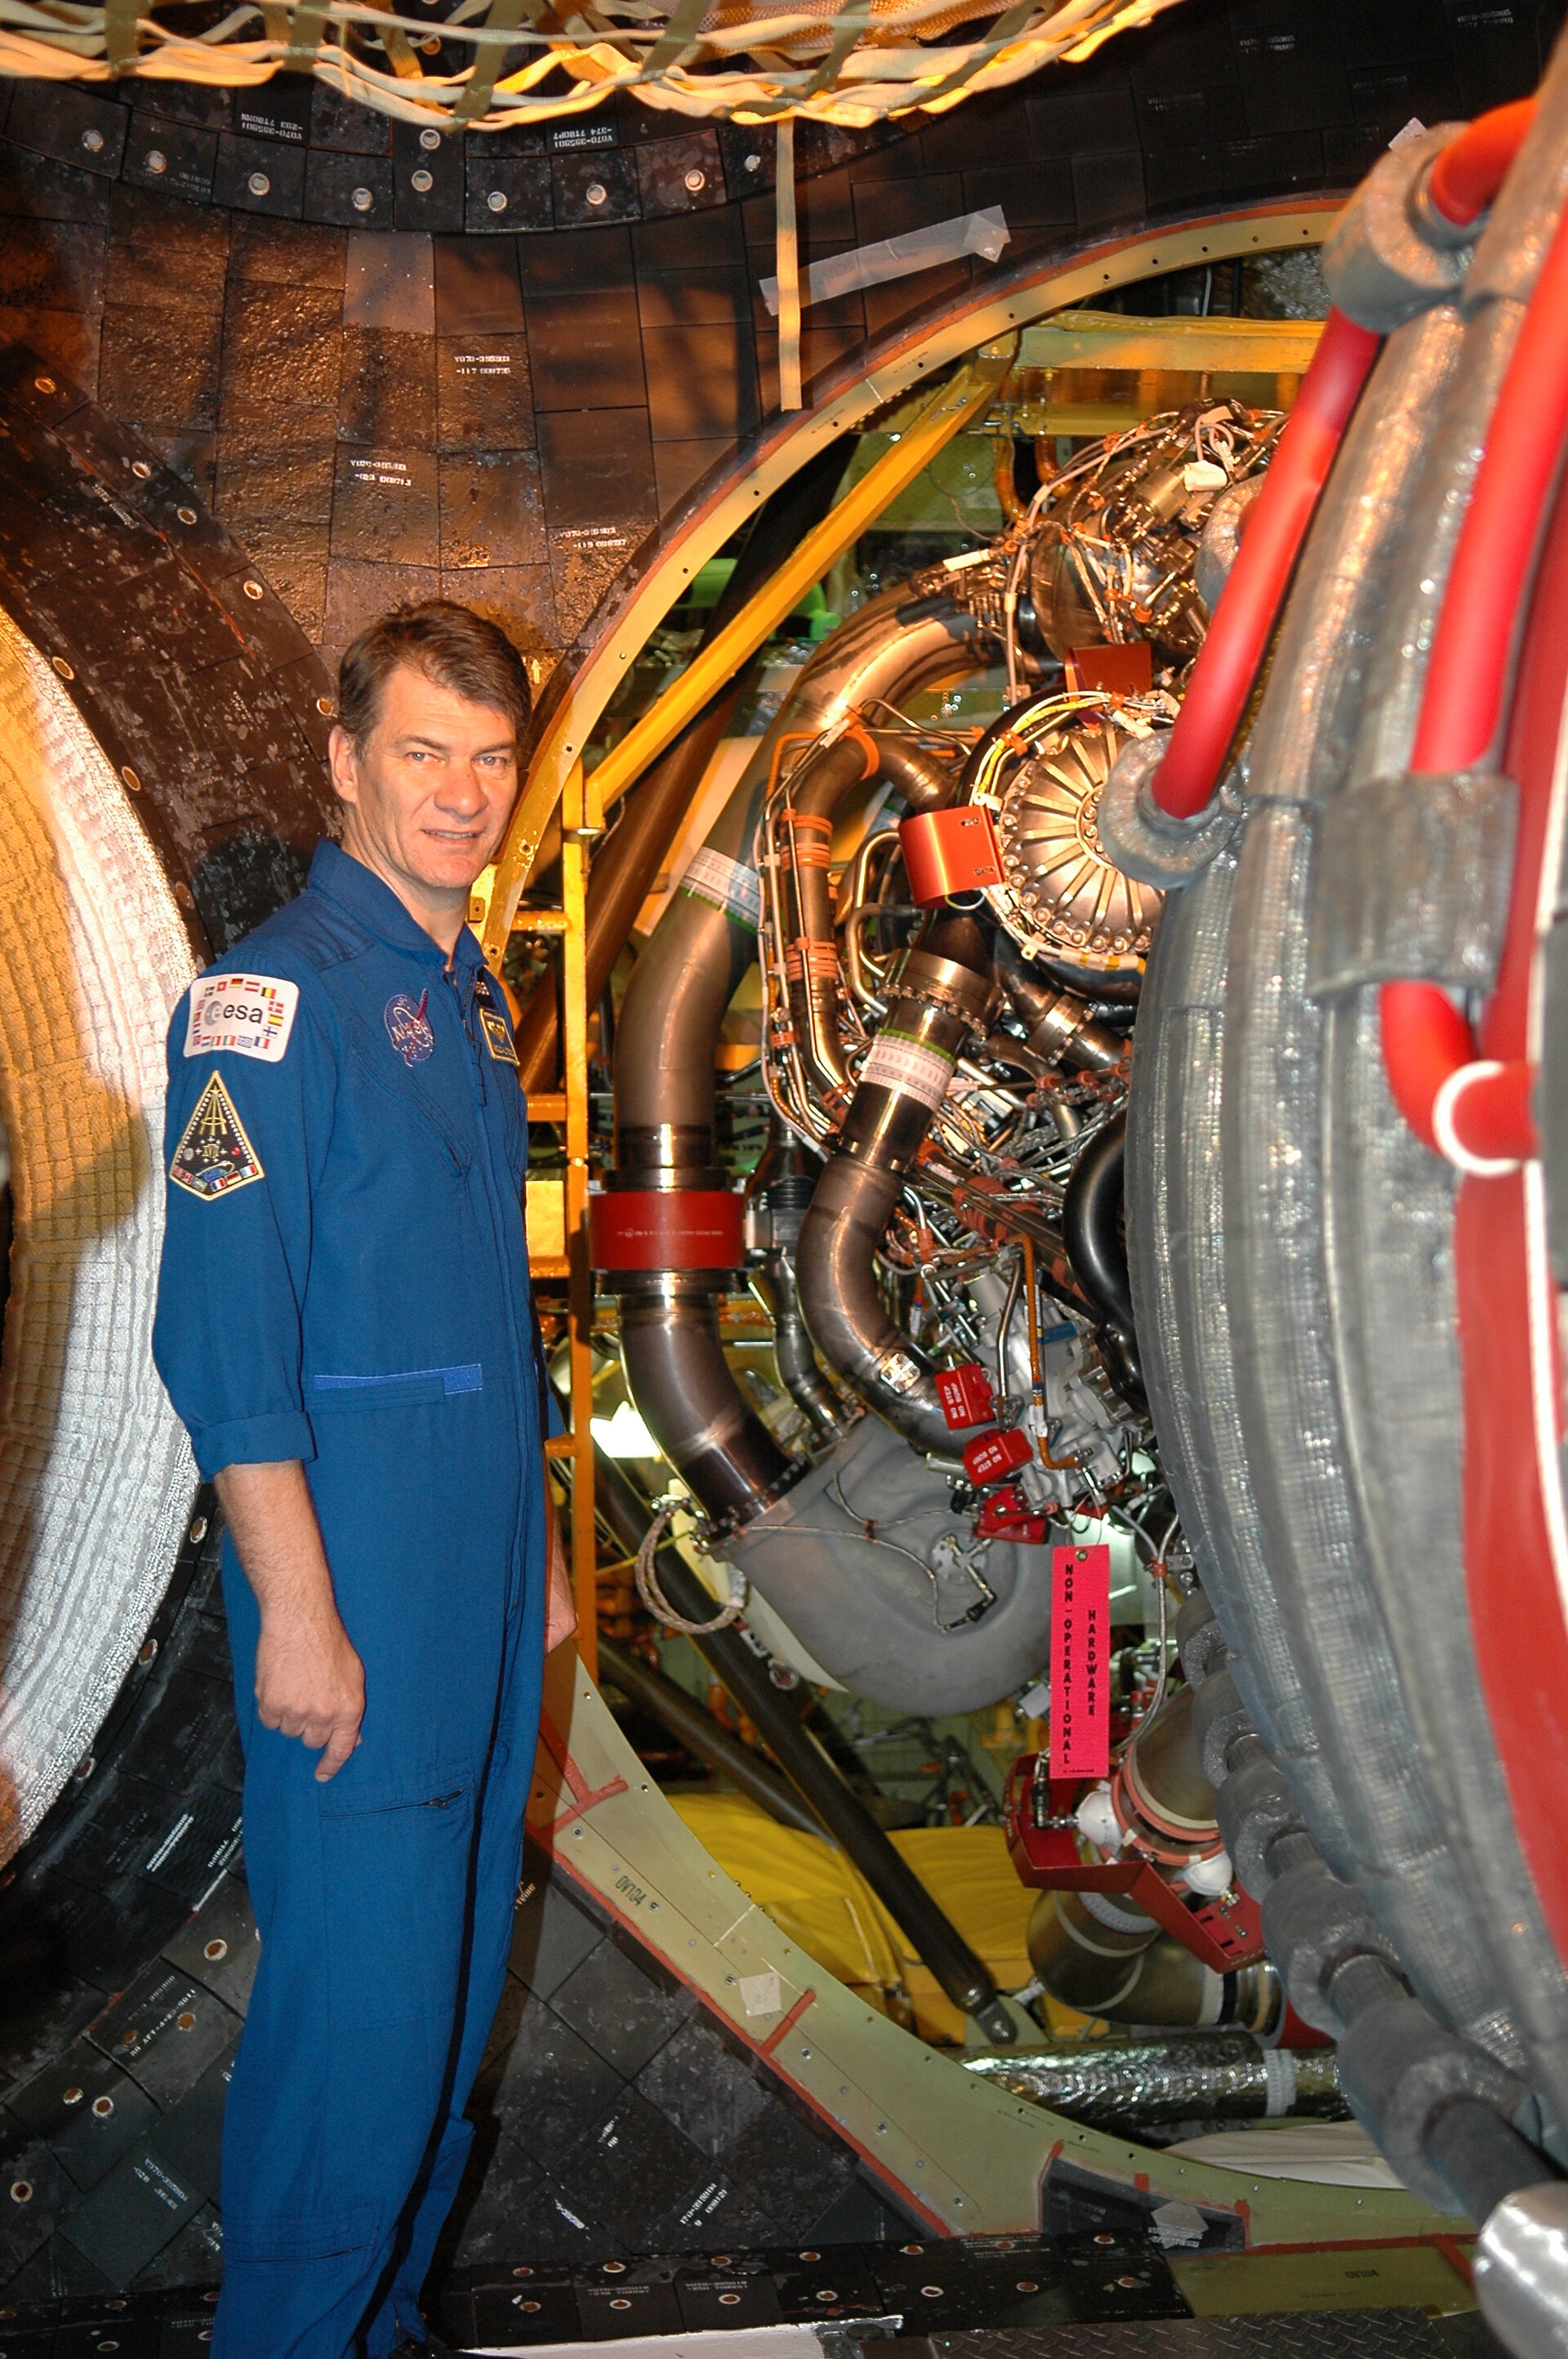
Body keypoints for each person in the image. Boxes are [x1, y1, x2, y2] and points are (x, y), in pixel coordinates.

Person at [153, 600, 576, 2359]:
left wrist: (542, 1557)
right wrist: (302, 1616)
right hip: (363, 1605)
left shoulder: (468, 996)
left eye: (490, 756)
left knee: (453, 2009)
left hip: (474, 1596)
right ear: (344, 764)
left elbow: (485, 1319)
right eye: (425, 751)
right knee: (361, 2033)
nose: (465, 792)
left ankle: (379, 2330)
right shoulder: (270, 1005)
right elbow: (224, 1349)